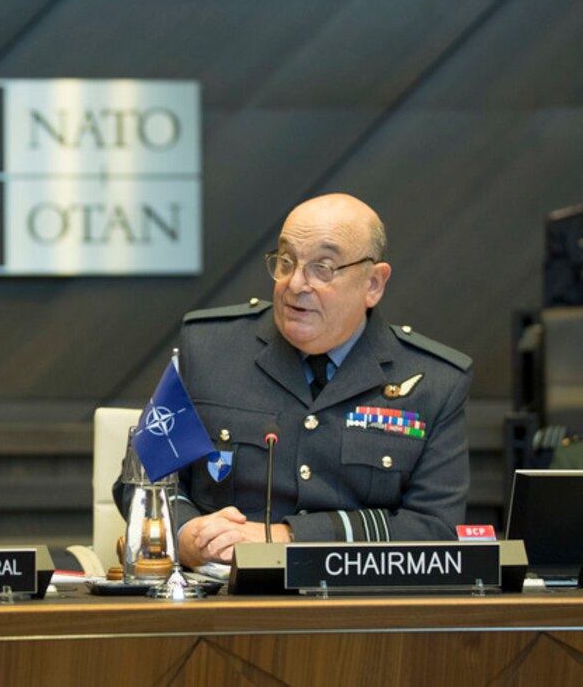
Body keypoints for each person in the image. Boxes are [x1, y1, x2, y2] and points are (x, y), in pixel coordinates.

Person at [120, 193, 472, 567]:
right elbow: (143, 479)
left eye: (322, 267)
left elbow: (434, 529)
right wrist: (186, 533)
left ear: (373, 283)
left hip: (361, 610)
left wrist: (289, 539)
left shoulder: (434, 381)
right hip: (224, 599)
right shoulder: (209, 348)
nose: (295, 284)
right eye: (286, 261)